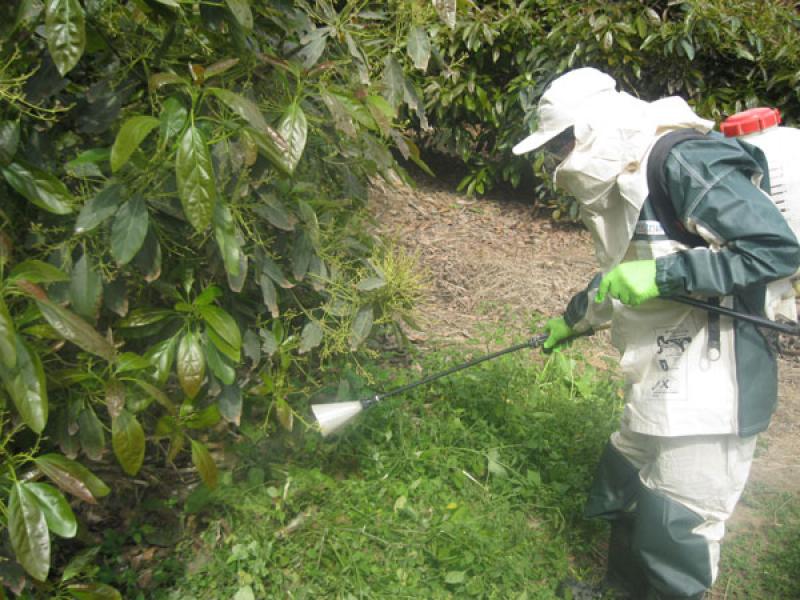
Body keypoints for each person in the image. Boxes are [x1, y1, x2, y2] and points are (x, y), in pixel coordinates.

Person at [512, 67, 800, 599]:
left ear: (594, 128)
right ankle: (619, 590)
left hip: (717, 376)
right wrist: (573, 320)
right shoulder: (626, 180)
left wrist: (667, 276)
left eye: (560, 144)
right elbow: (626, 270)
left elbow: (775, 249)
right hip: (660, 365)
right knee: (627, 480)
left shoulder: (684, 160)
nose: (557, 159)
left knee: (677, 519)